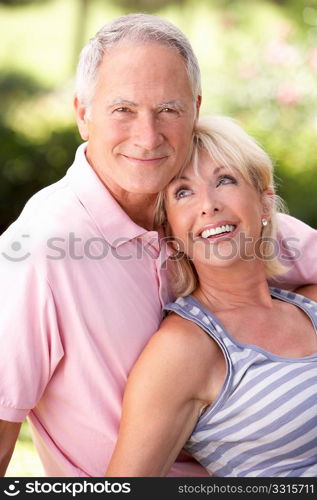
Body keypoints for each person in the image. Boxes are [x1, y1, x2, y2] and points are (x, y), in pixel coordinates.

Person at [0, 14, 316, 478]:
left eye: (168, 109)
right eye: (123, 109)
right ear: (83, 114)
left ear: (195, 110)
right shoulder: (38, 252)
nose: (147, 137)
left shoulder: (212, 215)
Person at [105, 115, 317, 478]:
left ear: (265, 203)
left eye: (225, 180)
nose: (208, 205)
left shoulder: (309, 304)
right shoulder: (183, 350)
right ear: (169, 228)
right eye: (183, 192)